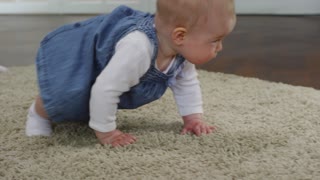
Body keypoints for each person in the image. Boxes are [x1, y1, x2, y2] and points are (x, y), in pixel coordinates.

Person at [26, 0, 236, 147]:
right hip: (88, 54)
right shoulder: (138, 48)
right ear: (180, 35)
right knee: (67, 94)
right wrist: (107, 132)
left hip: (115, 69)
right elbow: (105, 89)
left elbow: (187, 83)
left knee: (93, 100)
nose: (220, 48)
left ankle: (89, 110)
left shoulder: (180, 51)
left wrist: (193, 118)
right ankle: (38, 113)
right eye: (215, 41)